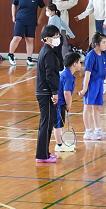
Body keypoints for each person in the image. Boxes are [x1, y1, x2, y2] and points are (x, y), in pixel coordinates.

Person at [34, 25, 63, 165]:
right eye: (55, 36)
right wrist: (54, 92)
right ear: (47, 38)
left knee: (47, 123)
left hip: (45, 92)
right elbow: (50, 74)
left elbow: (60, 67)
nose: (58, 39)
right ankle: (42, 155)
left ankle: (44, 152)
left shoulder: (50, 51)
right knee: (46, 124)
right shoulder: (48, 53)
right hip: (46, 93)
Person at [8, 0, 43, 66]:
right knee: (17, 38)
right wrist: (13, 16)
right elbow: (13, 4)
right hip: (20, 19)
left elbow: (43, 7)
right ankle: (11, 54)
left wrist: (39, 18)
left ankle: (29, 58)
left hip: (31, 20)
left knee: (30, 39)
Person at [81, 31, 106, 141]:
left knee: (97, 107)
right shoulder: (90, 56)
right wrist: (85, 88)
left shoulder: (102, 55)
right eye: (104, 42)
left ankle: (98, 129)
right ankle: (88, 131)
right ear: (96, 44)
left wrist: (103, 84)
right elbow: (87, 74)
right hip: (91, 84)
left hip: (99, 83)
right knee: (88, 107)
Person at [54, 50, 82, 154]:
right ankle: (59, 145)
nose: (80, 64)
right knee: (58, 125)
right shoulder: (68, 76)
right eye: (79, 62)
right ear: (74, 64)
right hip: (59, 103)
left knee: (59, 125)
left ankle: (60, 142)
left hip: (58, 103)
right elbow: (67, 93)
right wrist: (69, 104)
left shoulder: (64, 73)